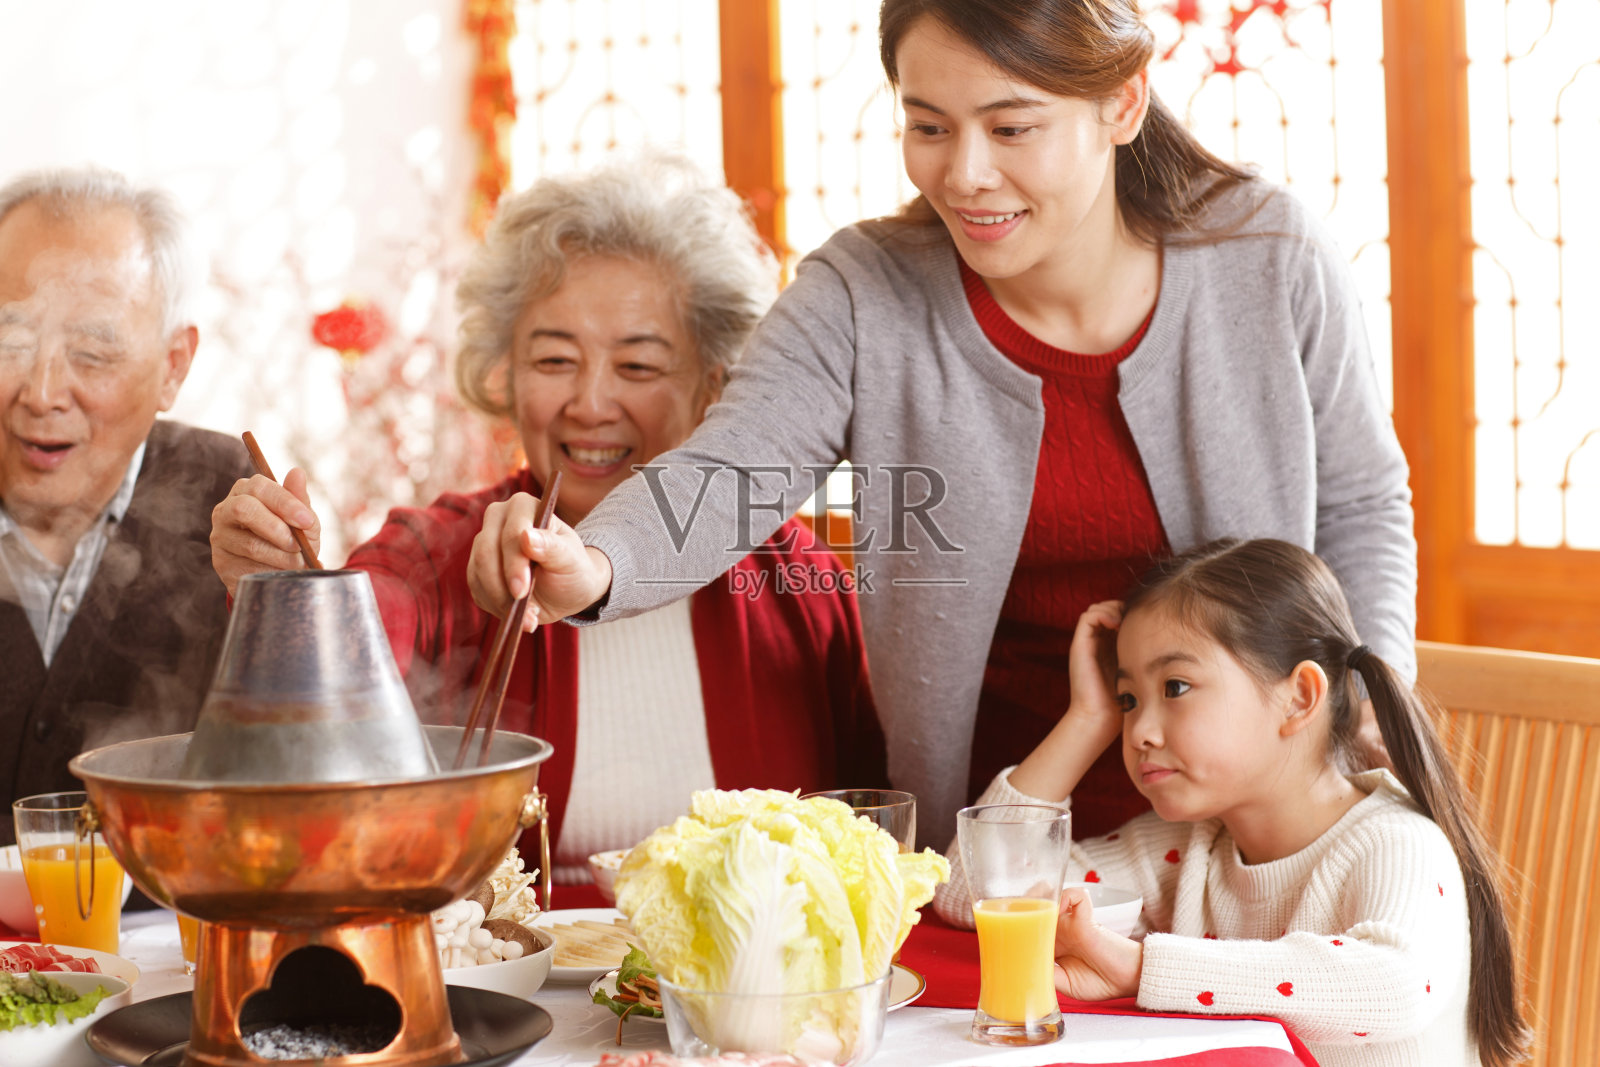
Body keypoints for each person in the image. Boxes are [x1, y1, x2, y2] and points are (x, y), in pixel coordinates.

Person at [469, 0, 1416, 850]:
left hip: (1256, 832)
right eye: (928, 126)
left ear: (1121, 104)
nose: (964, 175)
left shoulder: (1266, 253)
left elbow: (1362, 498)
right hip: (990, 844)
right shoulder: (864, 290)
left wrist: (1371, 694)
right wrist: (599, 565)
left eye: (1012, 127)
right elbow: (732, 466)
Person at [210, 154, 885, 882]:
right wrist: (281, 591)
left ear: (714, 389)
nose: (590, 404)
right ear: (507, 372)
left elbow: (864, 830)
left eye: (639, 367)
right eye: (555, 360)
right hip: (508, 985)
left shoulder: (795, 579)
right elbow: (341, 663)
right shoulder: (439, 553)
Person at [934, 539, 1529, 1067]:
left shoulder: (1396, 841)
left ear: (1298, 697)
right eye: (1126, 700)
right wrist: (1085, 718)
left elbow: (1394, 986)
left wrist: (1143, 969)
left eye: (1175, 687)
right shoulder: (1181, 849)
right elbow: (974, 891)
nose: (1140, 729)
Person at [0, 167, 253, 837]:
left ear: (172, 365)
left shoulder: (225, 494)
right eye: (11, 341)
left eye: (91, 351)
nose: (43, 393)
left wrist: (294, 607)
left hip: (166, 938)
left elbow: (314, 761)